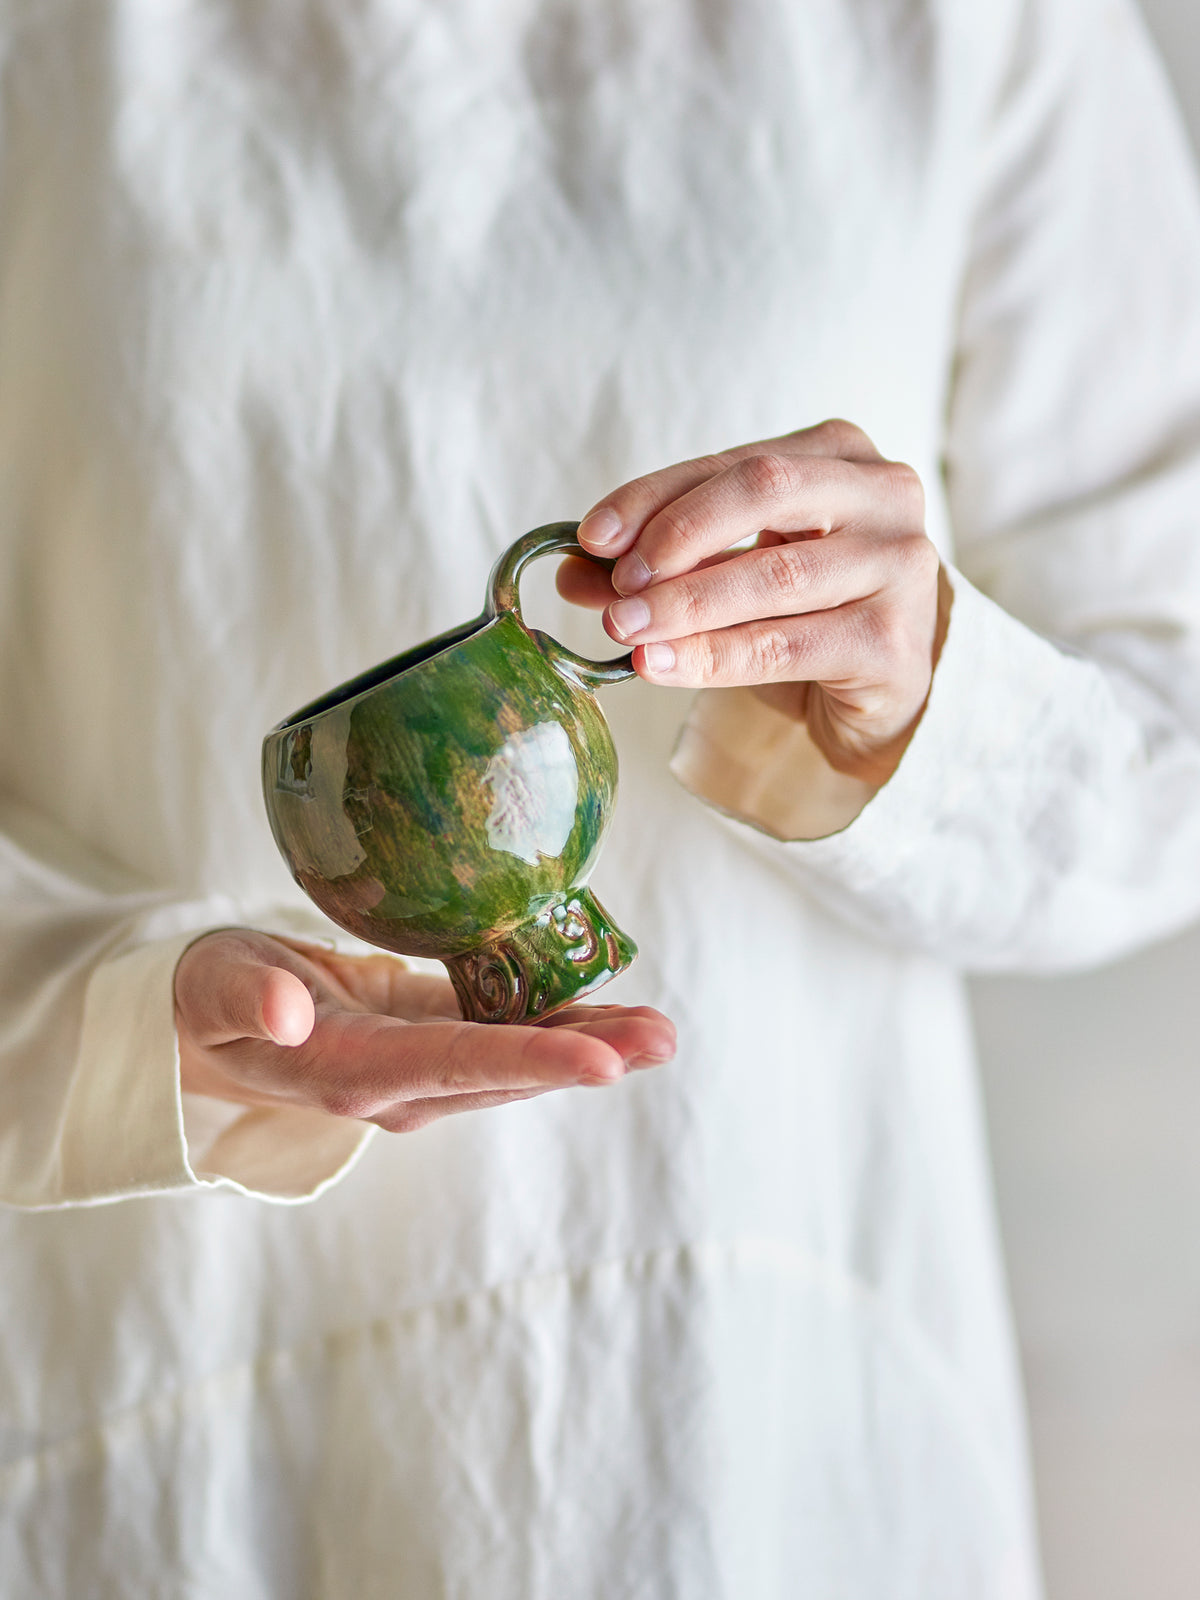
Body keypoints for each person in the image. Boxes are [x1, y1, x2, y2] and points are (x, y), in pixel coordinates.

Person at [4, 0, 1200, 1593]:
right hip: (172, 1449)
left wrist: (928, 695)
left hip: (767, 1447)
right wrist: (108, 1009)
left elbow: (1171, 744)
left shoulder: (985, 32)